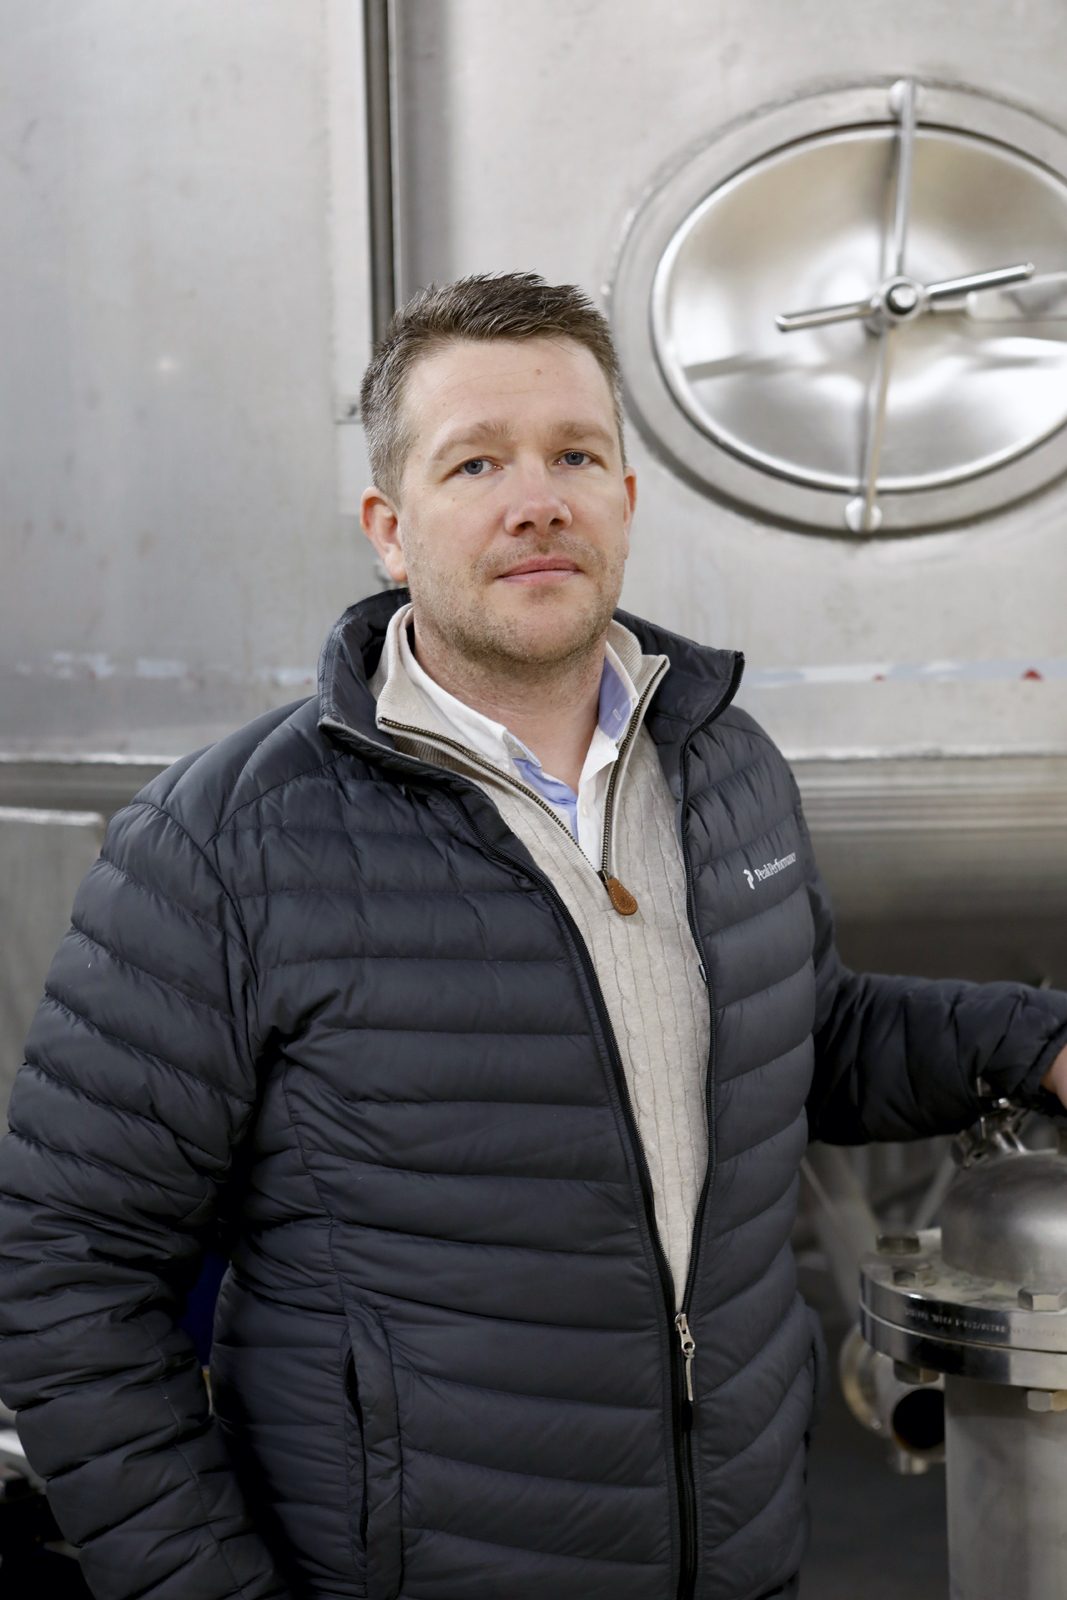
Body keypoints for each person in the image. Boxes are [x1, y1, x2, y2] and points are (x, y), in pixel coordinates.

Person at [0, 271, 1065, 1600]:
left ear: (626, 498)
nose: (537, 497)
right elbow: (68, 1275)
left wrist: (1041, 1040)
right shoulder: (228, 842)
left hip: (735, 1559)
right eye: (476, 463)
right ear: (391, 530)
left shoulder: (723, 766)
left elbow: (797, 1033)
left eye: (576, 453)